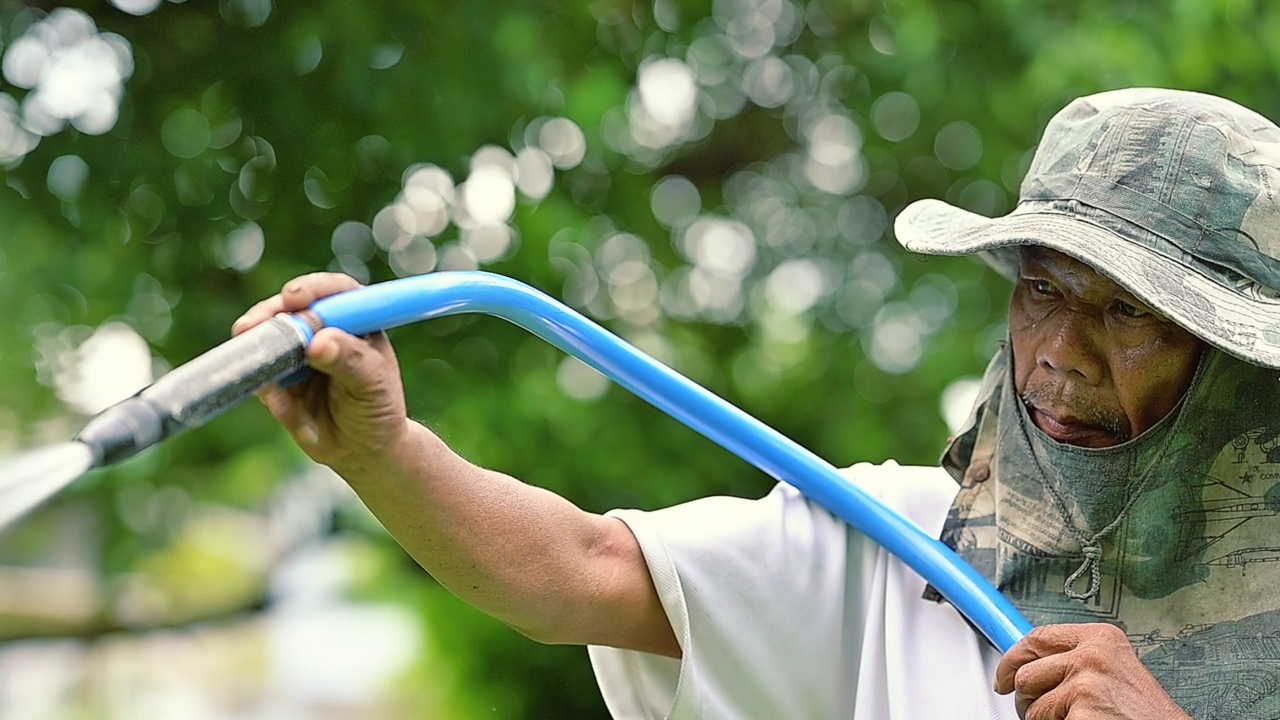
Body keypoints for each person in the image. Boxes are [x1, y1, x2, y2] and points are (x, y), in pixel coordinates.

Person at [232, 87, 1280, 719]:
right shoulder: (895, 550)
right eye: (1040, 288)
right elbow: (580, 571)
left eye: (1125, 314)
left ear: (1234, 370)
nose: (1056, 354)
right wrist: (379, 452)